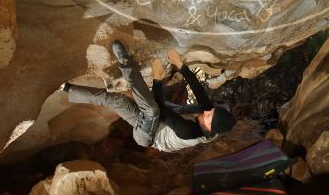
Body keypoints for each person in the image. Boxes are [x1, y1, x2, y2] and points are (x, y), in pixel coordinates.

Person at [64, 40, 236, 152]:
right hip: (152, 122)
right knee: (114, 100)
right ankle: (67, 89)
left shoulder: (189, 132)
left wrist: (157, 77)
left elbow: (160, 107)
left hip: (148, 136)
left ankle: (126, 61)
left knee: (152, 110)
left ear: (209, 128)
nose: (207, 112)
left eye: (209, 116)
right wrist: (181, 66)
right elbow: (199, 91)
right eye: (211, 111)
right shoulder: (209, 119)